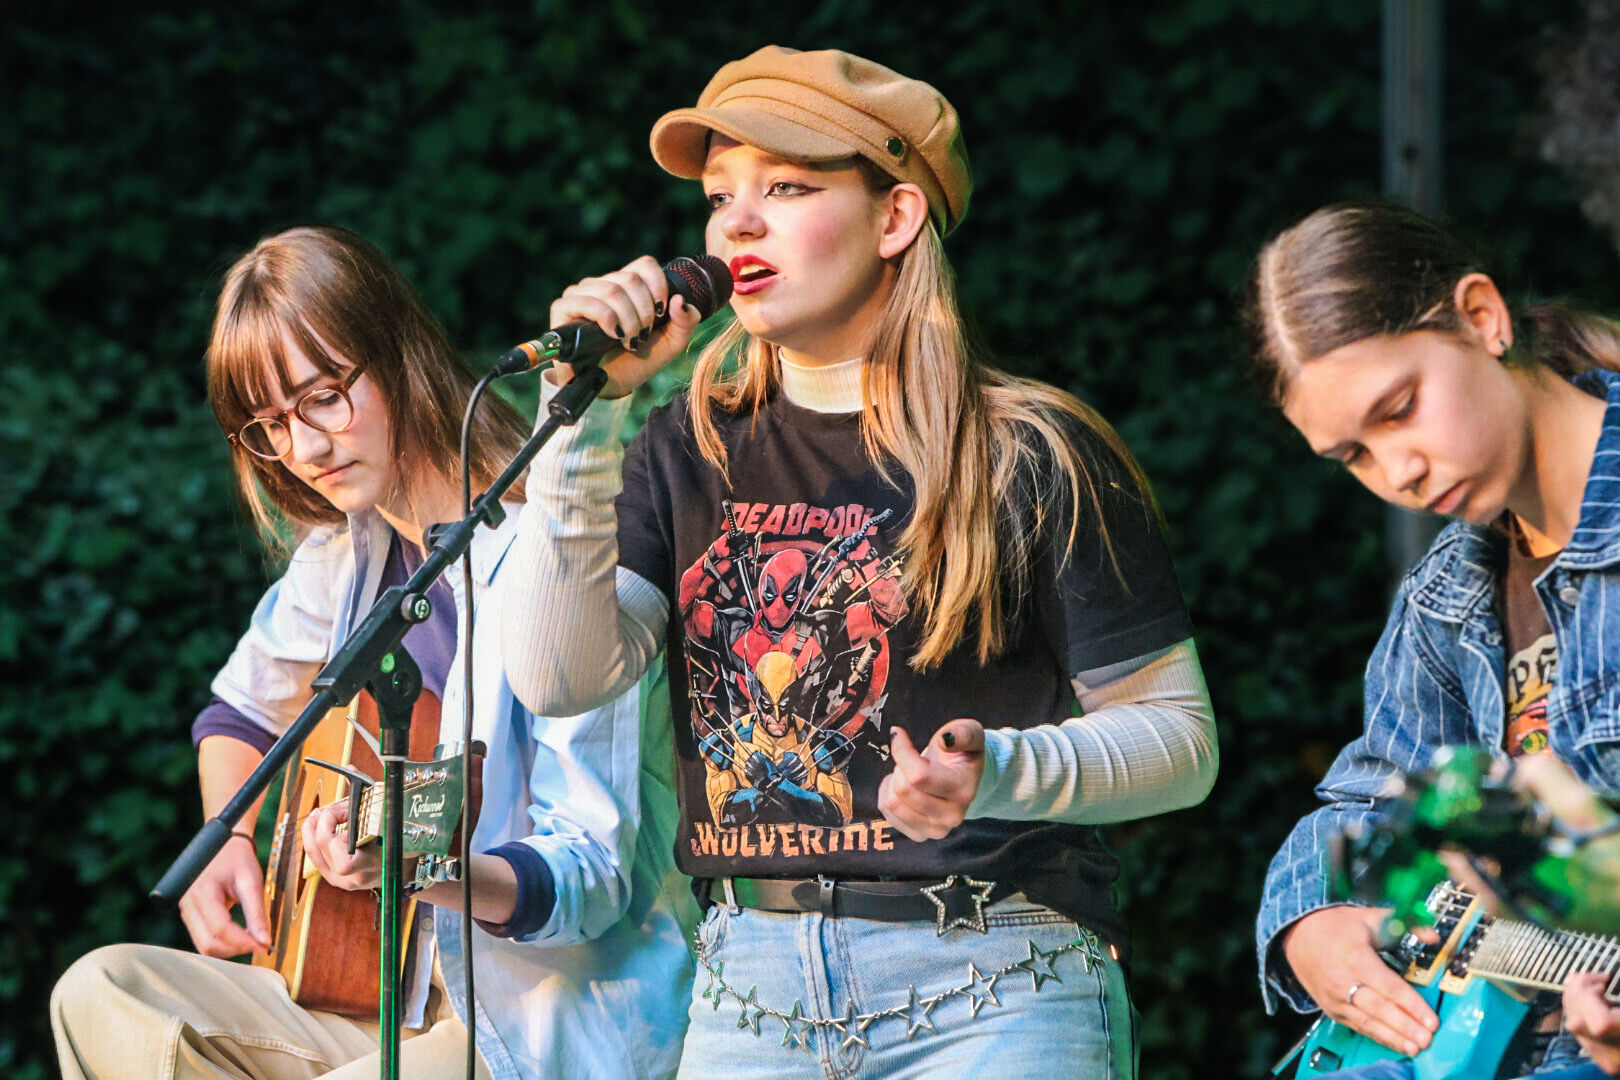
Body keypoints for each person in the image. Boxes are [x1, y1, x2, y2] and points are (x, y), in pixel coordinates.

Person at [498, 45, 1218, 1078]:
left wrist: (1001, 771)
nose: (737, 225)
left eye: (786, 188)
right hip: (754, 994)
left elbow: (1181, 740)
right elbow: (559, 677)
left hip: (995, 982)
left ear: (896, 217)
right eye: (719, 197)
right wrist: (582, 420)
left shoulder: (1029, 451)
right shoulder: (682, 447)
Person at [49, 226, 696, 1080]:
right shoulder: (347, 547)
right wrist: (229, 836)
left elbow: (589, 880)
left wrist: (421, 870)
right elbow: (242, 710)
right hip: (375, 991)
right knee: (102, 992)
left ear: (400, 355)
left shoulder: (560, 562)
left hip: (539, 1017)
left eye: (324, 397)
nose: (305, 450)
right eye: (270, 425)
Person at [1249, 200, 1620, 1078]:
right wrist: (1308, 925)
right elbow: (1371, 795)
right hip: (1469, 1037)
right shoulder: (1445, 593)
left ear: (1482, 318)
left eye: (1400, 410)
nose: (1399, 472)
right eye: (1354, 456)